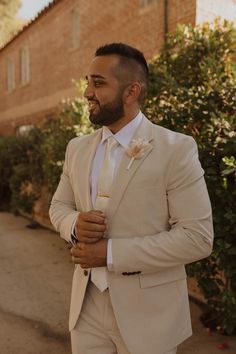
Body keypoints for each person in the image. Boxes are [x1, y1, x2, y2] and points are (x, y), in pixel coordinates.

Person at [49, 43, 214, 354]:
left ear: (131, 91)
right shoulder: (77, 148)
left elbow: (197, 238)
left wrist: (110, 253)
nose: (87, 92)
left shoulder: (176, 149)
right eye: (88, 81)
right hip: (85, 308)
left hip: (149, 315)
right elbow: (58, 206)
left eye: (98, 83)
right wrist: (73, 224)